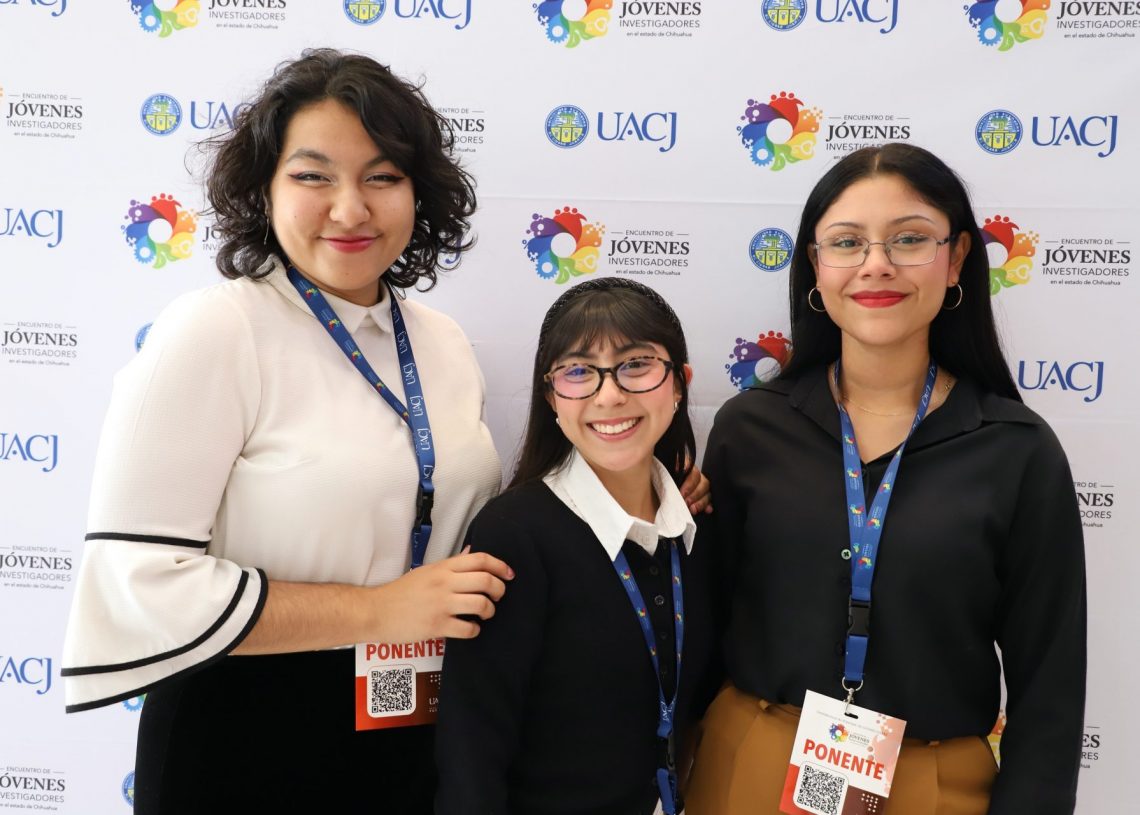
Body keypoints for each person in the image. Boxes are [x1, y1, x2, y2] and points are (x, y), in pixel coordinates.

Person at [685, 143, 1086, 815]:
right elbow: (698, 627)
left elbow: (1050, 688)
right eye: (847, 242)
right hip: (750, 761)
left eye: (909, 239)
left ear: (956, 258)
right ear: (815, 265)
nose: (876, 264)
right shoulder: (748, 429)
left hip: (934, 782)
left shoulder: (1019, 451)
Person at [435, 277, 715, 815]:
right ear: (551, 398)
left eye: (637, 364)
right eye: (579, 371)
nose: (609, 395)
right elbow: (473, 745)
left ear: (680, 383)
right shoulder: (513, 534)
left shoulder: (698, 526)